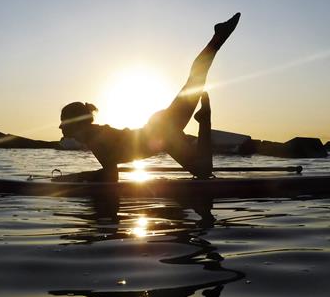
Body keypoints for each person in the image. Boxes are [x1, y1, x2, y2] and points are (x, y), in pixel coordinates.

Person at [56, 12, 241, 182]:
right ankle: (204, 119)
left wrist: (74, 179)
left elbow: (111, 177)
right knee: (203, 172)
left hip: (161, 130)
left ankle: (217, 38)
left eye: (63, 124)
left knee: (195, 80)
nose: (61, 129)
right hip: (161, 135)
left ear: (75, 123)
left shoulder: (95, 139)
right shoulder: (94, 135)